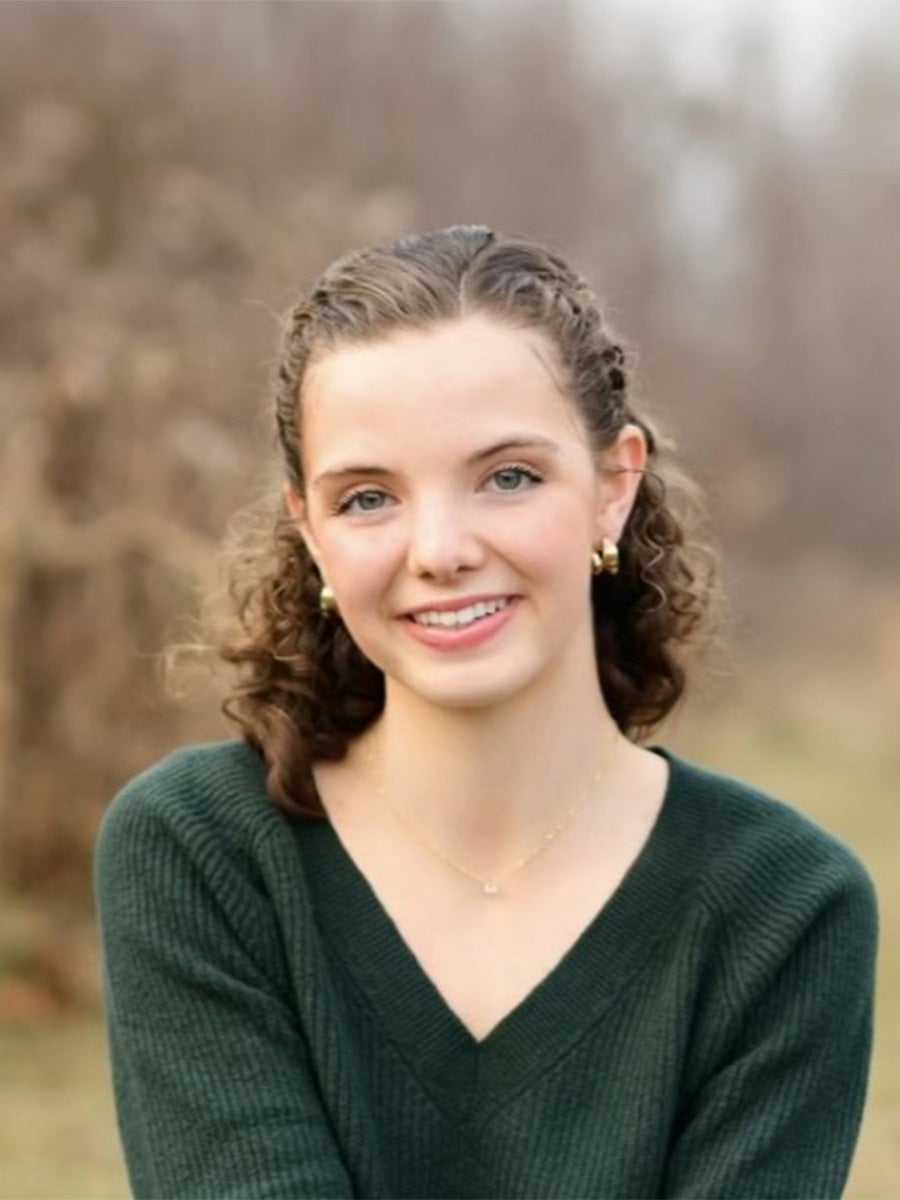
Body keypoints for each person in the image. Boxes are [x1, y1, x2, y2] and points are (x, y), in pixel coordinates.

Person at [95, 226, 877, 1199]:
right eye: (369, 497)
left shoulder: (785, 906)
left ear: (613, 487)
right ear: (310, 532)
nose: (439, 549)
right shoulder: (204, 853)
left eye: (508, 477)